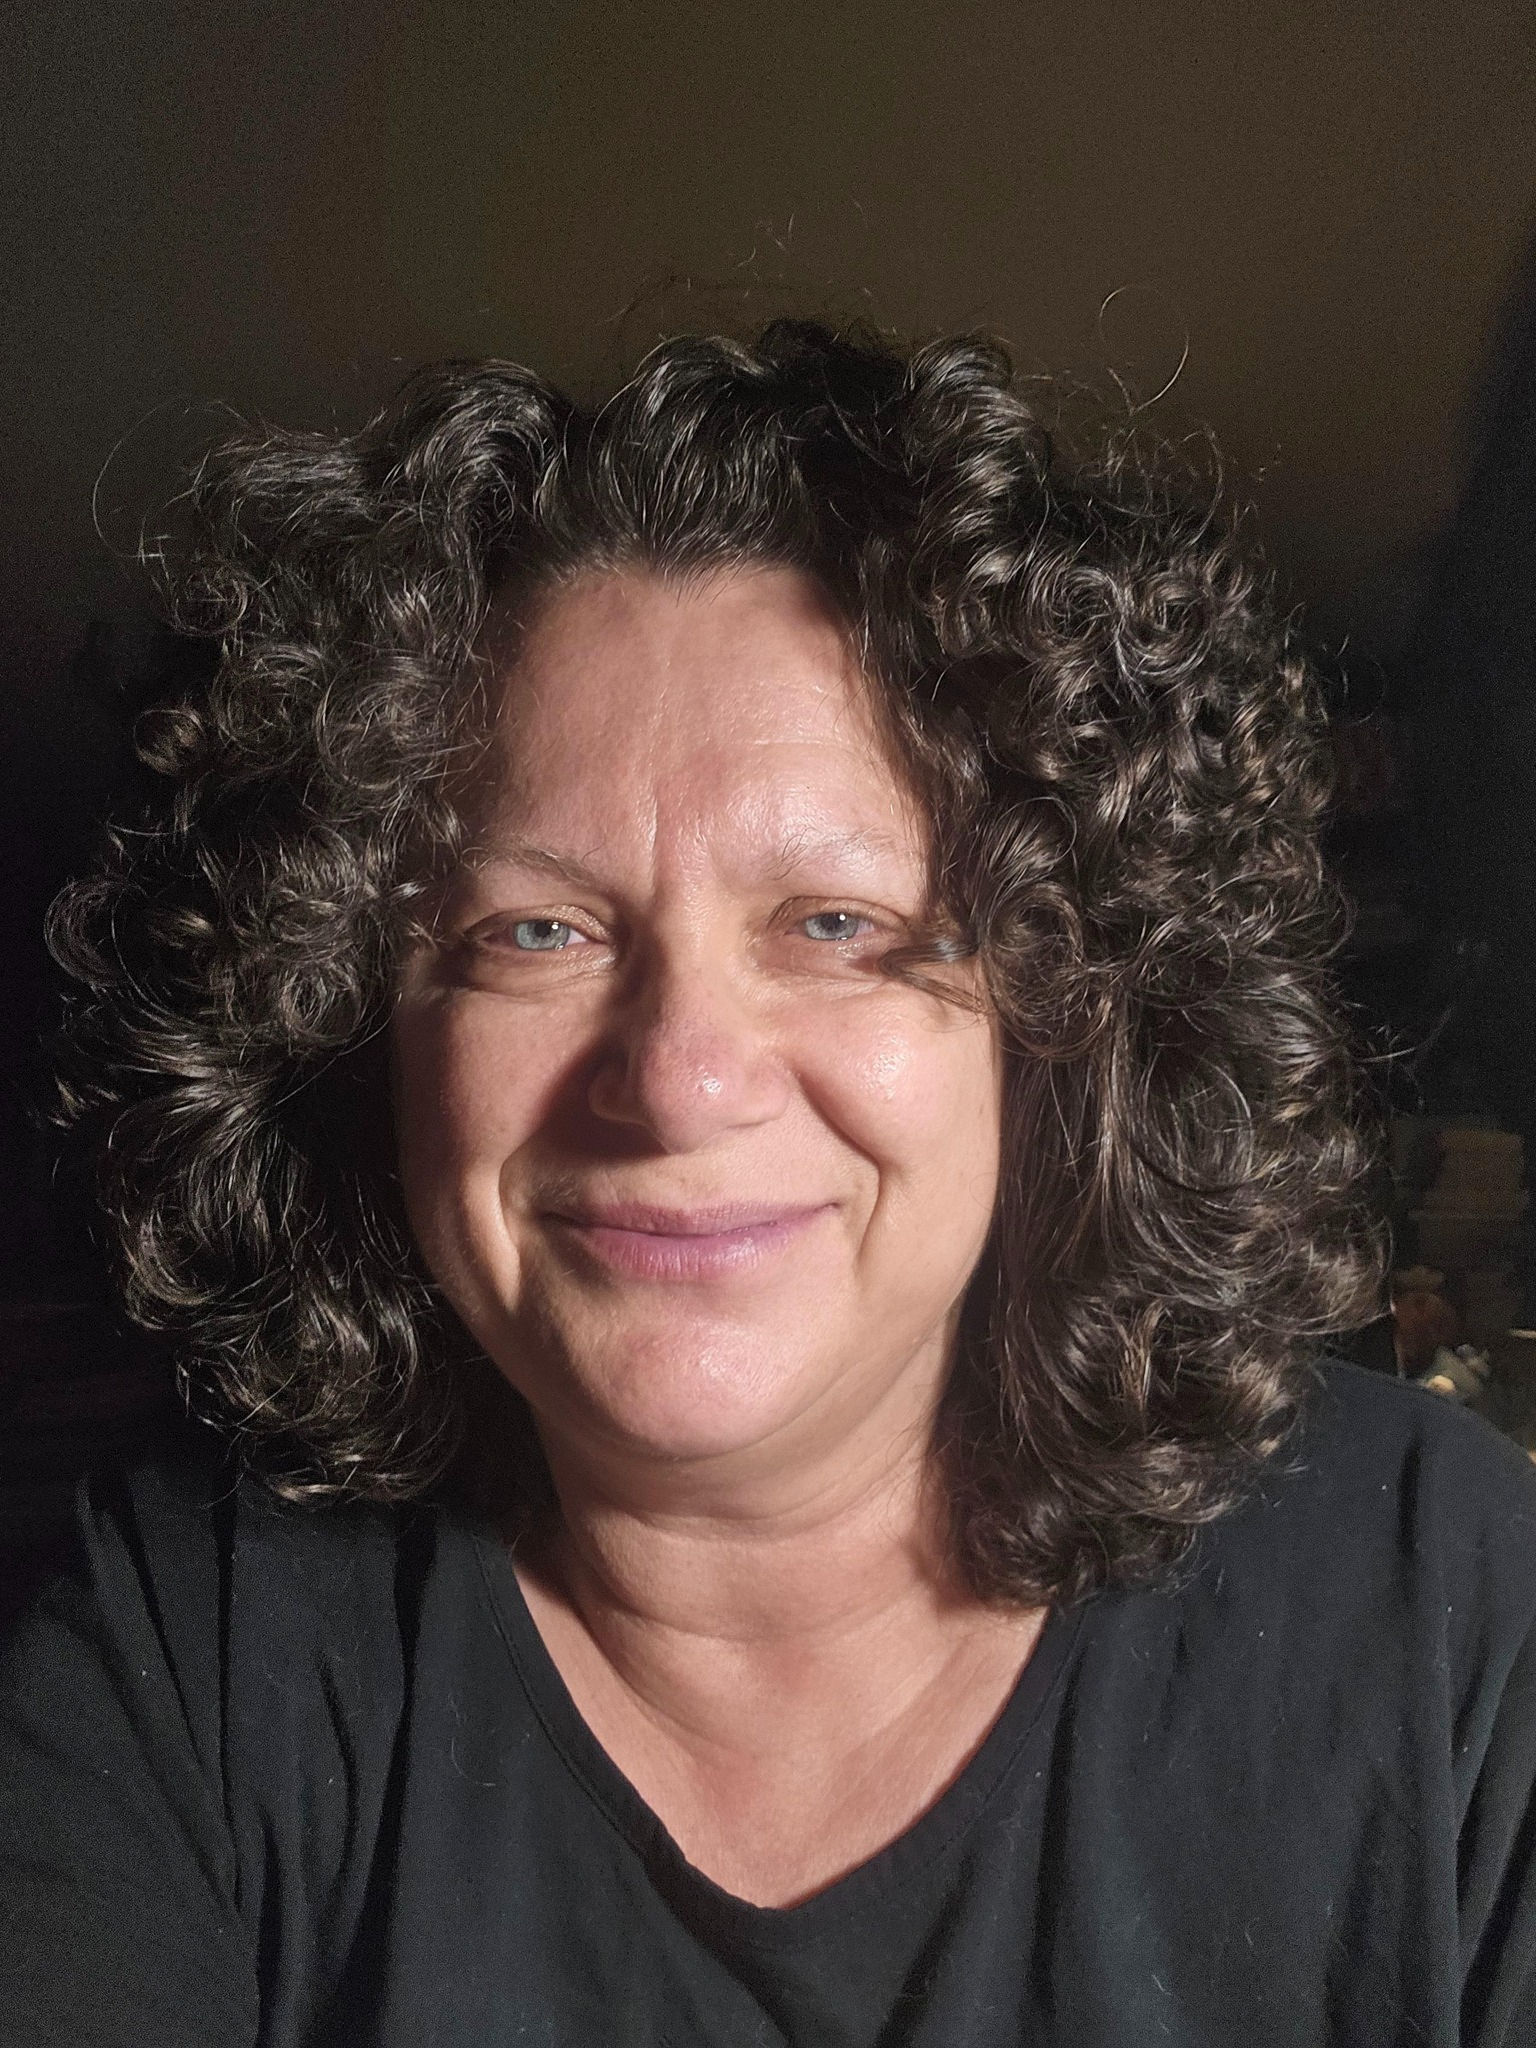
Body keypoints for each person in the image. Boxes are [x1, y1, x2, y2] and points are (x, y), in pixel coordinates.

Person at [2, 319, 1532, 2048]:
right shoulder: (192, 1656)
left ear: (1059, 1026)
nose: (676, 1076)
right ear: (363, 1028)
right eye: (536, 930)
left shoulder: (1442, 1603)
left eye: (837, 925)